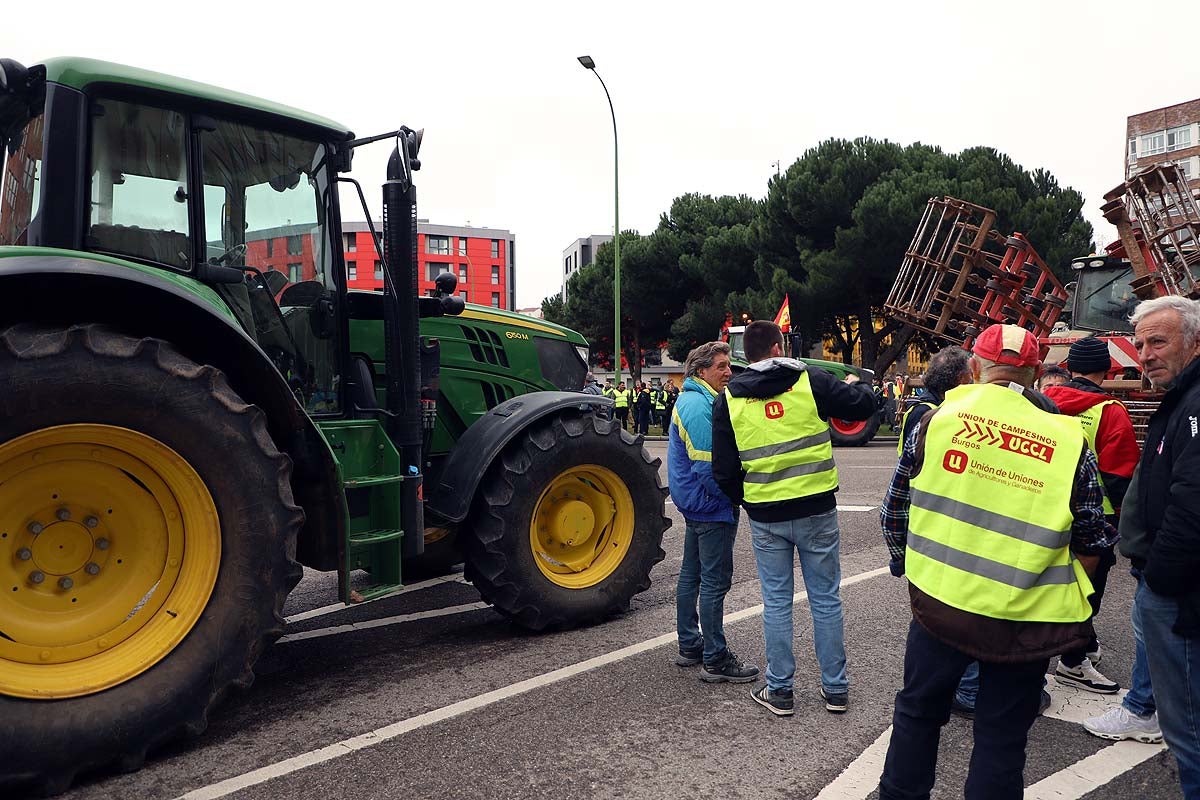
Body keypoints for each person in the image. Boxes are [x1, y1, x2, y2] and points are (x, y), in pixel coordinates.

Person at [878, 323, 1116, 800]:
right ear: (1035, 373)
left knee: (918, 713)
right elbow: (1093, 538)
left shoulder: (936, 420)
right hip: (1024, 617)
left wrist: (910, 568)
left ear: (974, 369)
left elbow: (894, 511)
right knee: (1002, 736)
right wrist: (1071, 596)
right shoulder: (1067, 439)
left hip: (940, 604)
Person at [712, 320, 877, 717]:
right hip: (816, 509)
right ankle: (835, 690)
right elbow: (864, 407)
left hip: (767, 515)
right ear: (777, 346)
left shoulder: (729, 398)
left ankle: (781, 690)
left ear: (745, 355)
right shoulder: (811, 381)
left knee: (776, 603)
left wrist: (752, 500)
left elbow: (724, 471)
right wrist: (861, 382)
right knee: (825, 600)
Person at [1112, 296, 1200, 796]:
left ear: (1195, 342)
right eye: (1140, 343)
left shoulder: (1194, 402)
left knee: (1187, 734)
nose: (1144, 354)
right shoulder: (1182, 397)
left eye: (1158, 341)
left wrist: (1159, 582)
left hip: (1178, 593)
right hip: (1173, 585)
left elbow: (1192, 503)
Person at [1042, 335, 1140, 695]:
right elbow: (1119, 474)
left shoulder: (1045, 402)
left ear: (1068, 368)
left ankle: (1073, 644)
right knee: (1088, 586)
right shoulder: (1109, 410)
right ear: (1108, 369)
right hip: (1097, 513)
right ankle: (1072, 661)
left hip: (1045, 508)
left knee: (1048, 578)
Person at [670, 342, 759, 683]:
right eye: (721, 366)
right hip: (710, 505)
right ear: (700, 371)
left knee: (692, 576)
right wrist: (735, 498)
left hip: (696, 503)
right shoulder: (699, 405)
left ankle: (690, 645)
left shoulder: (695, 399)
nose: (728, 372)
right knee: (714, 581)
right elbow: (709, 467)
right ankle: (715, 658)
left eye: (728, 365)